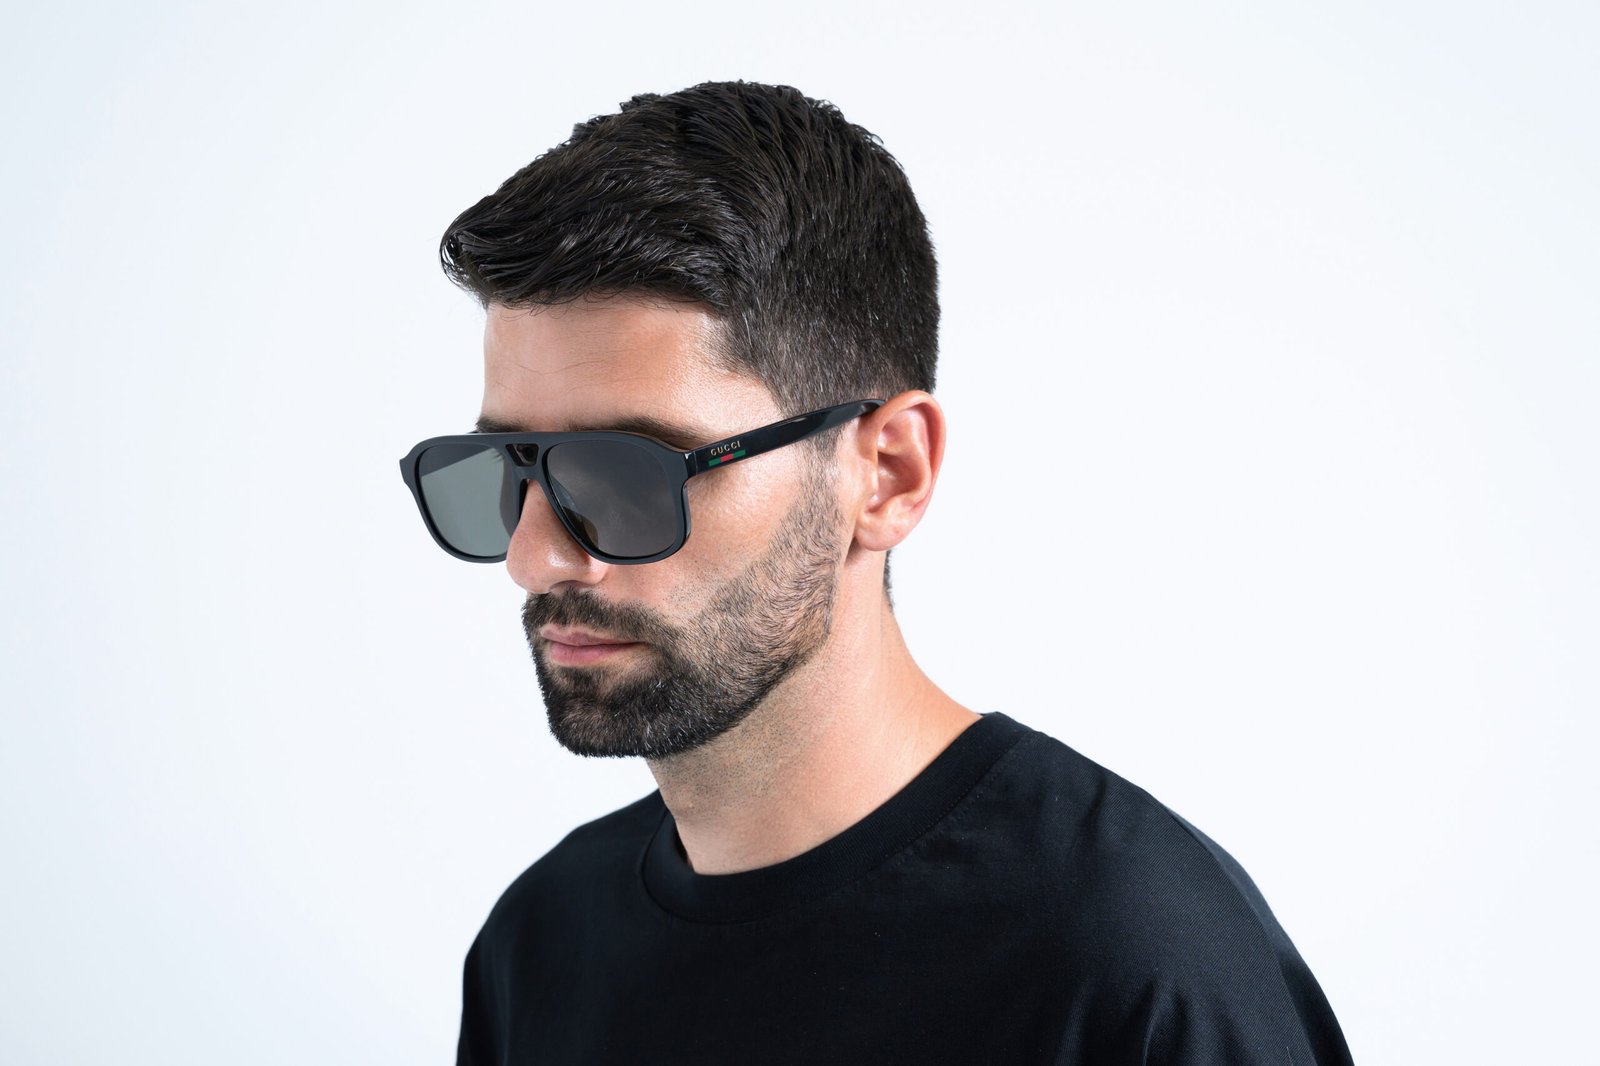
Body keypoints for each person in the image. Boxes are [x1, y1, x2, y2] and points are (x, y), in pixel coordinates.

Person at [400, 80, 1355, 1065]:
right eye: (509, 469)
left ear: (887, 472)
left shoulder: (1136, 964)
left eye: (630, 474)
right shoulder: (541, 944)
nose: (534, 557)